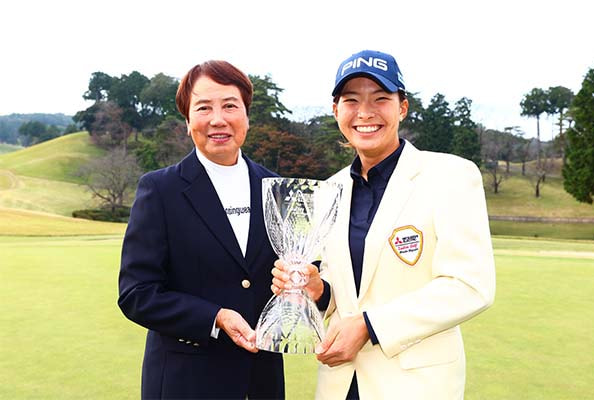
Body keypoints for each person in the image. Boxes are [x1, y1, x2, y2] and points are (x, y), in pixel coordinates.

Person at [272, 49, 495, 399]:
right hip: (340, 383)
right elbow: (344, 290)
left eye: (380, 98)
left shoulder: (451, 175)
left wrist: (370, 326)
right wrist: (319, 290)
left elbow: (469, 285)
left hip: (415, 387)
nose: (365, 112)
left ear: (402, 107)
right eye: (351, 100)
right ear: (336, 110)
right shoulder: (329, 190)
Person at [118, 60, 284, 399]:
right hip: (186, 383)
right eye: (204, 107)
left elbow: (294, 272)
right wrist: (215, 317)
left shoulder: (275, 187)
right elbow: (137, 294)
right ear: (187, 120)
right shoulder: (160, 190)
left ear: (247, 116)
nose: (218, 119)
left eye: (230, 106)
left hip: (262, 382)